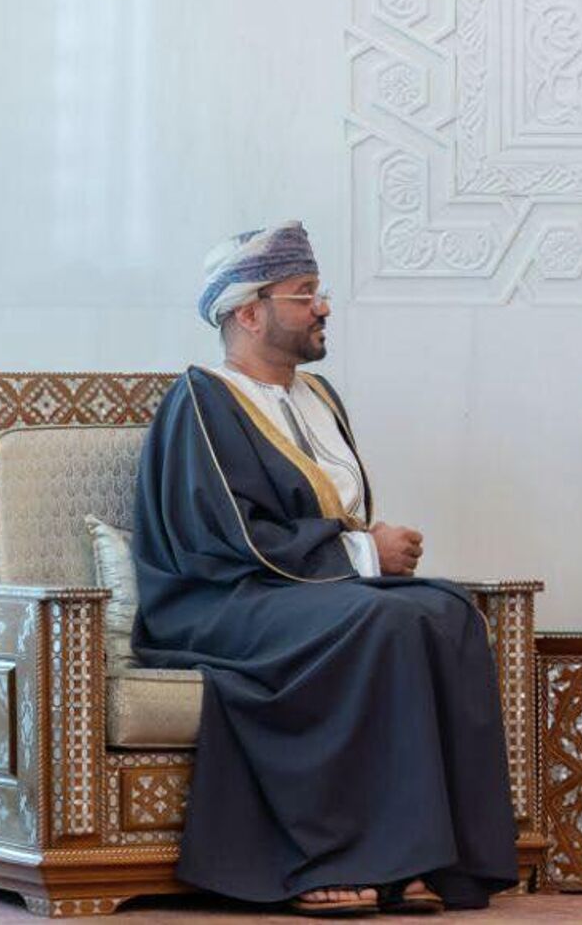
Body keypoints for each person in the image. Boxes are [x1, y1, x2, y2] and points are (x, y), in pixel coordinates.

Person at [131, 221, 517, 916]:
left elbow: (338, 512)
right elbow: (229, 538)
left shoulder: (320, 396)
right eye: (304, 293)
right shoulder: (201, 400)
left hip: (306, 593)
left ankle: (425, 857)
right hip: (216, 602)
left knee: (446, 611)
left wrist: (369, 547)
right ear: (250, 313)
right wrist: (366, 553)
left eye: (319, 291)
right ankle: (334, 856)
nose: (323, 307)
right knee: (381, 619)